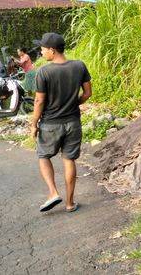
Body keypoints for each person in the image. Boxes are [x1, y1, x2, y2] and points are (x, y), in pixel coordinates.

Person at [29, 33, 92, 213]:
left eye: (42, 49)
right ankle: (70, 203)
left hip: (50, 124)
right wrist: (74, 103)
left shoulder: (45, 72)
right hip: (73, 122)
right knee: (69, 159)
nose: (41, 53)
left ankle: (53, 193)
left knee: (43, 156)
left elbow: (39, 101)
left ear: (52, 50)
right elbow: (87, 93)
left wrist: (34, 123)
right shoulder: (79, 66)